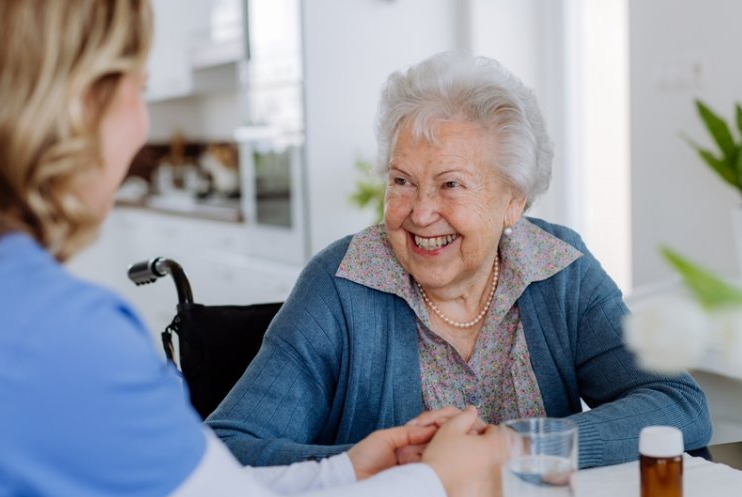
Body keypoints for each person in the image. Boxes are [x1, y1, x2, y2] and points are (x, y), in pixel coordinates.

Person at [0, 4, 505, 497]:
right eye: (136, 90)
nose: (142, 126)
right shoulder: (46, 332)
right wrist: (437, 488)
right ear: (78, 103)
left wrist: (346, 471)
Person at [207, 51, 713, 469]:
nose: (421, 213)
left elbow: (677, 404)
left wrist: (516, 448)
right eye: (402, 181)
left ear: (513, 200)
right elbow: (227, 449)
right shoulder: (340, 283)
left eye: (450, 185)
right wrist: (403, 464)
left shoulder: (559, 269)